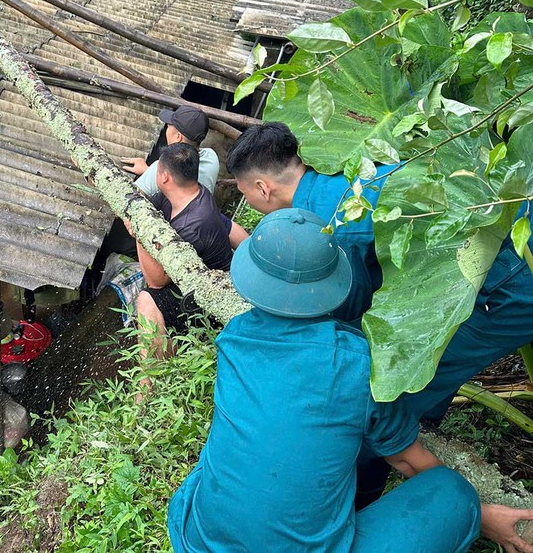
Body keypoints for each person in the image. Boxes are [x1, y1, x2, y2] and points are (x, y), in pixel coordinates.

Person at [167, 209, 533, 553]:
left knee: (214, 470)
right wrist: (481, 512)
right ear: (334, 282)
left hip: (197, 539)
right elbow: (407, 461)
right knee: (454, 493)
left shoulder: (235, 337)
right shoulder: (357, 364)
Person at [226, 122, 533, 503]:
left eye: (245, 194)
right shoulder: (350, 170)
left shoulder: (339, 232)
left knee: (380, 387)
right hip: (510, 214)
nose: (250, 204)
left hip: (507, 277)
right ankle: (421, 420)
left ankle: (366, 487)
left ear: (262, 188)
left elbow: (350, 322)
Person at [226, 122, 392, 323]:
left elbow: (350, 309)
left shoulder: (327, 230)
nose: (248, 200)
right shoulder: (335, 164)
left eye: (244, 192)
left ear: (263, 189)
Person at [131, 143, 235, 362]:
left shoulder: (194, 224)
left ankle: (154, 372)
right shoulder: (185, 194)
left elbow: (157, 281)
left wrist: (139, 230)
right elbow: (148, 204)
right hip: (193, 279)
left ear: (165, 177)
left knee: (147, 298)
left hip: (207, 303)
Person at [122, 105, 220, 196]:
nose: (166, 130)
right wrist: (148, 171)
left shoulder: (163, 166)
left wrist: (152, 172)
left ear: (178, 137)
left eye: (168, 127)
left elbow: (129, 198)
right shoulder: (212, 157)